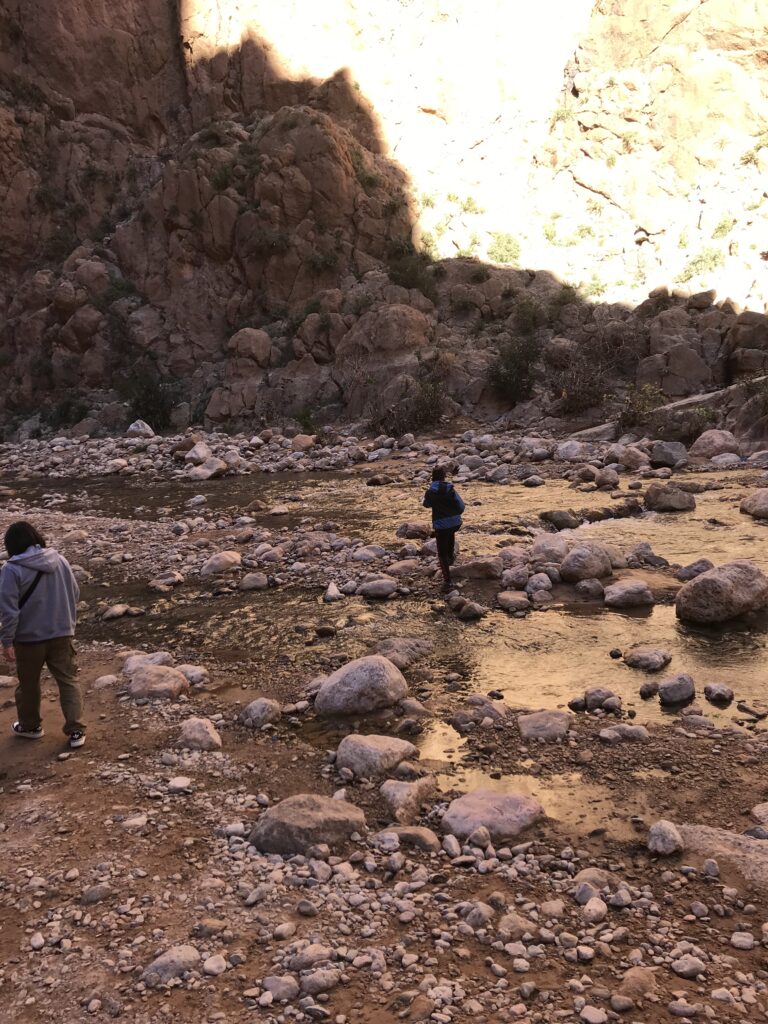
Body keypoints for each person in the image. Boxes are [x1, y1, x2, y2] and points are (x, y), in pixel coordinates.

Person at [0, 521, 85, 749]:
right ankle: (76, 730)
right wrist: (65, 619)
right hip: (61, 633)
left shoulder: (11, 569)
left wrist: (7, 640)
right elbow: (75, 592)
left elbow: (9, 610)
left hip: (28, 639)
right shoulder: (60, 560)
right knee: (68, 681)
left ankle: (30, 726)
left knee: (28, 684)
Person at [423, 466, 465, 589]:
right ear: (443, 477)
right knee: (450, 534)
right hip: (455, 523)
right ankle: (450, 558)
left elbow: (426, 505)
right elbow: (461, 506)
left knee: (441, 553)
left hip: (441, 525)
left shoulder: (430, 492)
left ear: (432, 478)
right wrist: (454, 515)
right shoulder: (450, 489)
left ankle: (447, 581)